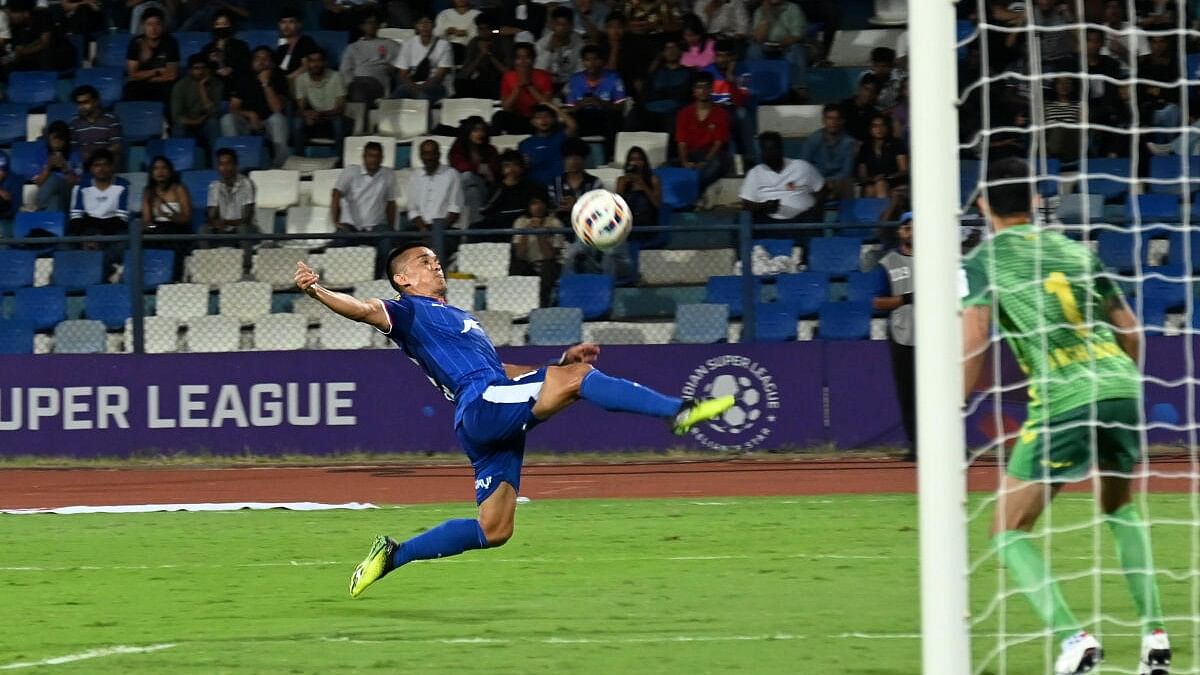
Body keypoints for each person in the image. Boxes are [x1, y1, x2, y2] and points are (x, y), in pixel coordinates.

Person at [293, 248, 734, 599]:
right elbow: (361, 309)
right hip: (481, 405)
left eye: (434, 257)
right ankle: (679, 411)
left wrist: (556, 366)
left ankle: (394, 555)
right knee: (580, 380)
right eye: (423, 261)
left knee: (494, 529)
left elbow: (506, 374)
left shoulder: (459, 318)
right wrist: (319, 293)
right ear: (403, 279)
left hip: (486, 414)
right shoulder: (405, 311)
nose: (435, 263)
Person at [962, 157, 1170, 675]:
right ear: (1036, 201)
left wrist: (952, 406)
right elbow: (1132, 332)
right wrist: (1120, 389)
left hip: (1064, 397)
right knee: (1120, 506)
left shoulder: (985, 260)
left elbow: (975, 338)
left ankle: (1074, 641)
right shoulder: (1077, 251)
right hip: (1119, 384)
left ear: (984, 205)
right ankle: (1156, 638)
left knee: (1007, 528)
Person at [872, 212, 914, 462]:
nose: (911, 231)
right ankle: (916, 444)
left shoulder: (937, 258)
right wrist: (905, 299)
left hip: (936, 338)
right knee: (908, 394)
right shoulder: (888, 262)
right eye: (906, 227)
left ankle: (952, 444)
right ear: (900, 232)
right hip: (903, 334)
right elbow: (877, 301)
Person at [740, 131, 824, 232]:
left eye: (773, 149)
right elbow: (746, 204)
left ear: (781, 149)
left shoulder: (802, 166)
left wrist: (815, 209)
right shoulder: (755, 173)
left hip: (803, 221)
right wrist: (763, 206)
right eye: (765, 150)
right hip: (768, 223)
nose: (769, 153)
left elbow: (823, 190)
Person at [222, 47, 291, 168]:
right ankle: (234, 164)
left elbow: (277, 109)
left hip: (269, 124)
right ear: (252, 62)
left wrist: (266, 83)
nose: (261, 61)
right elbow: (233, 107)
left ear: (272, 63)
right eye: (257, 58)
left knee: (278, 119)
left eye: (265, 58)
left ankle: (280, 165)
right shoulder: (244, 79)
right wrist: (249, 115)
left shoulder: (279, 78)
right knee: (227, 119)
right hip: (247, 124)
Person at [331, 141, 397, 258]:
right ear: (364, 157)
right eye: (370, 156)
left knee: (387, 238)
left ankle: (378, 275)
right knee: (339, 240)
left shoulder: (388, 174)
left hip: (376, 226)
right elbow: (336, 193)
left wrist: (390, 227)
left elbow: (391, 203)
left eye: (377, 156)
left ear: (382, 158)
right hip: (351, 227)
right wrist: (335, 221)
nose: (374, 159)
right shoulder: (351, 171)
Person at [68, 150, 131, 273]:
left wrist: (99, 238)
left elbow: (122, 218)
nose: (101, 168)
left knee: (124, 244)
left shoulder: (123, 185)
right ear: (91, 169)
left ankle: (99, 267)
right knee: (64, 245)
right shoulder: (83, 186)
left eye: (105, 164)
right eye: (97, 165)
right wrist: (86, 237)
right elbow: (76, 216)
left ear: (112, 167)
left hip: (112, 230)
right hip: (87, 228)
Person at [565, 44, 628, 162]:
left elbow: (620, 106)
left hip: (605, 116)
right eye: (588, 60)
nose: (592, 63)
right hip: (582, 116)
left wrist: (601, 103)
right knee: (569, 121)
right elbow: (568, 109)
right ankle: (573, 156)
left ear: (602, 61)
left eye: (595, 59)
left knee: (615, 118)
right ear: (583, 62)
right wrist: (581, 104)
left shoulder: (613, 77)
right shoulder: (575, 79)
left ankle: (611, 157)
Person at [675, 71, 731, 197]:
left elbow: (718, 143)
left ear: (711, 89)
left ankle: (691, 193)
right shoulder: (684, 113)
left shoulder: (720, 113)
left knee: (717, 165)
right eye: (699, 87)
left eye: (706, 87)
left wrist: (705, 162)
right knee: (670, 166)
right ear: (694, 90)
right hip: (691, 154)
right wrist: (684, 162)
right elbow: (681, 142)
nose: (703, 90)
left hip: (712, 155)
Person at [704, 38, 756, 167]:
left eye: (726, 56)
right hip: (713, 113)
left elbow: (740, 101)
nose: (722, 60)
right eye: (719, 56)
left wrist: (730, 78)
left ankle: (751, 158)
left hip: (733, 112)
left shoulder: (743, 71)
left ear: (733, 57)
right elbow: (702, 100)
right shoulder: (706, 72)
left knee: (742, 113)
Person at [479, 149, 547, 242]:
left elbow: (541, 208)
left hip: (524, 224)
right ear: (502, 169)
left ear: (521, 167)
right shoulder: (496, 188)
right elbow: (485, 210)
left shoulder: (533, 187)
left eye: (515, 164)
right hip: (500, 226)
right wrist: (502, 189)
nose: (511, 169)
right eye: (507, 165)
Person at [509, 193, 564, 307]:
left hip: (549, 264)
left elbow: (550, 255)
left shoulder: (555, 223)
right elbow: (520, 254)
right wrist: (527, 231)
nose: (538, 207)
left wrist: (539, 232)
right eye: (534, 203)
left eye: (541, 203)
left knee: (548, 267)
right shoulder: (520, 222)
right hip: (528, 263)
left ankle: (543, 305)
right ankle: (517, 305)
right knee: (516, 265)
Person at [203, 147, 256, 262]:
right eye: (221, 164)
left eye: (228, 164)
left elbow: (246, 218)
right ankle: (207, 264)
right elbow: (211, 215)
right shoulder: (214, 186)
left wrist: (226, 222)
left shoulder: (246, 184)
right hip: (223, 229)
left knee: (243, 229)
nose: (224, 168)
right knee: (203, 230)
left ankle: (246, 266)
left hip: (242, 228)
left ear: (236, 166)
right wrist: (214, 221)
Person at [406, 138, 463, 246]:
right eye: (426, 153)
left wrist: (437, 233)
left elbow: (455, 209)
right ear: (420, 156)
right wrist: (424, 230)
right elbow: (412, 210)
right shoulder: (415, 176)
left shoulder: (452, 174)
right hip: (421, 228)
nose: (429, 157)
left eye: (433, 153)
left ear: (439, 155)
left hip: (445, 228)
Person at [747, 0, 808, 101]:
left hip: (786, 45)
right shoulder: (759, 11)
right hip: (766, 46)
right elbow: (758, 37)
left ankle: (798, 87)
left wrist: (781, 44)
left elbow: (797, 35)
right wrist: (766, 16)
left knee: (795, 50)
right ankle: (757, 86)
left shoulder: (793, 8)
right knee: (753, 49)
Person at [293, 50, 348, 159]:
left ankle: (338, 159)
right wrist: (307, 114)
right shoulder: (301, 79)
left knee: (339, 122)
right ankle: (299, 158)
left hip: (332, 115)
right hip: (314, 117)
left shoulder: (336, 76)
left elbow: (340, 108)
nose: (315, 64)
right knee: (298, 121)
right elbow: (301, 107)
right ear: (307, 63)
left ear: (325, 62)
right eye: (312, 61)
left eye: (319, 60)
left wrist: (321, 114)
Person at [142, 155, 193, 272]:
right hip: (157, 228)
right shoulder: (148, 191)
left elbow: (187, 217)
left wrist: (166, 214)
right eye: (156, 168)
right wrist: (152, 227)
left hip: (177, 227)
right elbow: (147, 222)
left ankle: (176, 275)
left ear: (170, 171)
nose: (160, 172)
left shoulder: (179, 188)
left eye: (164, 168)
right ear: (152, 172)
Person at [492, 42, 554, 135]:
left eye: (526, 57)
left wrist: (529, 85)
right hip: (517, 117)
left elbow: (547, 104)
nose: (523, 61)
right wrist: (519, 86)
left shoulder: (544, 75)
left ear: (533, 60)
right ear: (514, 60)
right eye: (518, 58)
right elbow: (506, 106)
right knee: (499, 116)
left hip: (538, 119)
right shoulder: (508, 76)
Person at [449, 116, 500, 227]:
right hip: (463, 191)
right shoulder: (458, 149)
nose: (480, 134)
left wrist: (487, 171)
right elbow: (458, 166)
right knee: (471, 188)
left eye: (482, 130)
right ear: (468, 132)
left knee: (467, 177)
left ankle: (473, 227)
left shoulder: (491, 150)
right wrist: (479, 168)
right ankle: (477, 224)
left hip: (486, 190)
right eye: (475, 130)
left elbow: (493, 174)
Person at [340, 13, 400, 106]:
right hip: (356, 83)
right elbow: (345, 70)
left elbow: (403, 62)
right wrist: (350, 85)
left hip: (376, 82)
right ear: (362, 26)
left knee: (359, 90)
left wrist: (393, 68)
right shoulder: (352, 47)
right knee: (357, 89)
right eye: (369, 22)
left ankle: (360, 114)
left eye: (375, 22)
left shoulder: (390, 44)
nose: (372, 25)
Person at [800, 103, 856, 200]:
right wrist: (821, 182)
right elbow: (803, 166)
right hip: (816, 181)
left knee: (847, 182)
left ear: (842, 121)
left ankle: (847, 213)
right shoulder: (813, 139)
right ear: (823, 120)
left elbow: (846, 172)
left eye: (837, 118)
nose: (833, 122)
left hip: (838, 183)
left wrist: (830, 183)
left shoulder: (849, 142)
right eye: (829, 118)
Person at [123, 8, 181, 102]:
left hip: (162, 84)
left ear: (163, 25)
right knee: (130, 89)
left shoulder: (171, 42)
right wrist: (157, 71)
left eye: (157, 24)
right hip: (143, 84)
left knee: (172, 89)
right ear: (143, 26)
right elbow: (133, 74)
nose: (153, 29)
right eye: (149, 24)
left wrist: (146, 77)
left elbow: (172, 75)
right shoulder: (135, 43)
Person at [392, 15, 453, 102]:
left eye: (427, 22)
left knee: (421, 95)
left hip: (437, 86)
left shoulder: (444, 45)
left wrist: (418, 88)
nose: (424, 26)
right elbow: (402, 74)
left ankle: (422, 106)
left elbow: (439, 76)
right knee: (400, 92)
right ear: (416, 26)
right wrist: (413, 87)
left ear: (433, 25)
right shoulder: (408, 44)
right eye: (421, 23)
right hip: (411, 85)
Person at [639, 38, 693, 133]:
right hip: (651, 113)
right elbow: (645, 94)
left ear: (680, 51)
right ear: (663, 53)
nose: (671, 51)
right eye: (667, 48)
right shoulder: (655, 73)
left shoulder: (690, 73)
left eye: (674, 48)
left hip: (674, 113)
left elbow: (686, 97)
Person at [518, 103, 577, 188]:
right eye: (538, 117)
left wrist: (553, 107)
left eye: (547, 116)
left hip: (560, 187)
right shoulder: (525, 144)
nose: (543, 120)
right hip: (536, 188)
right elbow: (522, 170)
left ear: (553, 119)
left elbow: (573, 126)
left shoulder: (560, 137)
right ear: (532, 122)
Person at [170, 54, 224, 148]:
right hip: (187, 124)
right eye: (196, 68)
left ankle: (216, 162)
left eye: (204, 68)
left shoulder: (216, 84)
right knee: (178, 128)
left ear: (208, 69)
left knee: (213, 124)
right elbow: (177, 116)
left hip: (206, 124)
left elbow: (214, 112)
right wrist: (195, 122)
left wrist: (202, 88)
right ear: (190, 70)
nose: (201, 71)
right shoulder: (180, 86)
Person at [32, 121, 84, 214]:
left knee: (54, 179)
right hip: (52, 197)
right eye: (54, 139)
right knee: (55, 201)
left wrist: (65, 169)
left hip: (69, 194)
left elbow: (78, 183)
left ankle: (38, 208)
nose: (57, 143)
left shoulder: (74, 153)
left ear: (66, 140)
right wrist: (48, 167)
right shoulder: (41, 152)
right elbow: (38, 183)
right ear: (49, 138)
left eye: (60, 140)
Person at [454, 12, 509, 100]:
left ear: (492, 28)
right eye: (480, 29)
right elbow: (465, 73)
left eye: (486, 28)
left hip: (498, 82)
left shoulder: (503, 41)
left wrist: (489, 55)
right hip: (479, 82)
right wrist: (481, 55)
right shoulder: (474, 42)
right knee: (460, 82)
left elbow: (508, 73)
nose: (483, 32)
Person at [615, 144, 662, 246]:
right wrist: (622, 187)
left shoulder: (653, 180)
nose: (636, 162)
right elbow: (616, 208)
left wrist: (643, 185)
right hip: (627, 225)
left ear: (644, 162)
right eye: (632, 159)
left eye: (639, 159)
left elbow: (658, 205)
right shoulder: (622, 180)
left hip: (647, 224)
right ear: (628, 162)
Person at [549, 137, 603, 224]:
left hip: (586, 227)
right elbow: (550, 212)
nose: (573, 161)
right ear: (564, 159)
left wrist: (577, 205)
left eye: (577, 157)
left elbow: (598, 211)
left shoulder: (595, 183)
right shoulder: (554, 183)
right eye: (569, 157)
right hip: (560, 229)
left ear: (584, 159)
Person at [69, 86, 124, 169]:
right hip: (84, 165)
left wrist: (96, 156)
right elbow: (74, 148)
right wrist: (82, 155)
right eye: (79, 103)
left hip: (106, 163)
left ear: (96, 101)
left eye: (85, 102)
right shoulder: (75, 121)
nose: (82, 107)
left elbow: (117, 146)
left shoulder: (111, 118)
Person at [855, 113, 907, 199]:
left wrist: (887, 177)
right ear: (870, 129)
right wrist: (873, 178)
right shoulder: (865, 148)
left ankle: (881, 212)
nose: (879, 129)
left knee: (880, 184)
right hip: (873, 182)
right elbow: (862, 175)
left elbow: (904, 170)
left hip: (895, 180)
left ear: (887, 128)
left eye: (882, 125)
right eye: (875, 126)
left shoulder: (896, 143)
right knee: (869, 189)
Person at [199, 9, 251, 95]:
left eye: (225, 24)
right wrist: (211, 63)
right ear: (213, 26)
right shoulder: (207, 49)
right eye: (218, 24)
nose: (221, 27)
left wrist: (232, 69)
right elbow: (201, 70)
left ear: (231, 25)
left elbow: (247, 67)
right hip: (213, 90)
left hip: (236, 89)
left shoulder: (241, 46)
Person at [534, 6, 583, 94]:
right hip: (547, 85)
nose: (561, 28)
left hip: (570, 85)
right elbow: (538, 72)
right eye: (558, 24)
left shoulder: (580, 44)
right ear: (552, 25)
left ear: (572, 26)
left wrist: (564, 92)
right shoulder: (541, 44)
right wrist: (550, 50)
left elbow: (580, 72)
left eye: (565, 25)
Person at [274, 7, 320, 80]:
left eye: (291, 22)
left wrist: (287, 79)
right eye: (283, 22)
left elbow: (306, 66)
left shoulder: (305, 41)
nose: (286, 26)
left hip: (300, 82)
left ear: (299, 24)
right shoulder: (282, 46)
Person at [434, 0, 479, 64]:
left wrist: (467, 32)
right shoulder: (443, 14)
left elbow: (480, 34)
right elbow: (436, 34)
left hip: (470, 49)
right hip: (446, 50)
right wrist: (447, 31)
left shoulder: (477, 14)